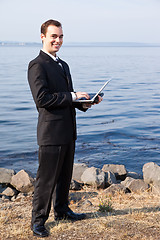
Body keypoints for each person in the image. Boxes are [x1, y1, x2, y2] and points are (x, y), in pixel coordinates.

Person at [28, 19, 102, 238]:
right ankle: (38, 221)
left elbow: (66, 99)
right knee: (46, 179)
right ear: (42, 37)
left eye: (60, 36)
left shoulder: (63, 65)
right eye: (53, 36)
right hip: (50, 133)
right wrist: (72, 96)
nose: (57, 40)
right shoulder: (37, 64)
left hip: (69, 131)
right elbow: (42, 99)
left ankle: (62, 211)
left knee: (64, 176)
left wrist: (84, 103)